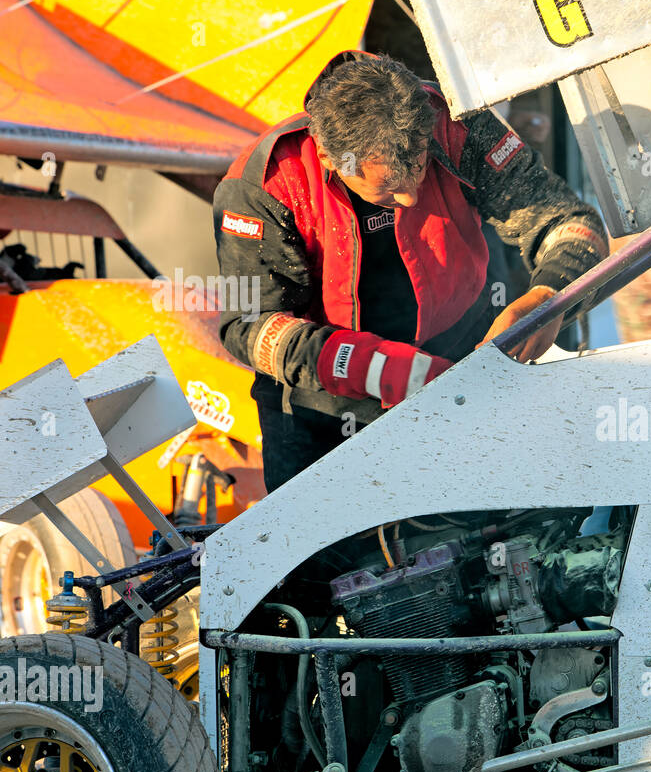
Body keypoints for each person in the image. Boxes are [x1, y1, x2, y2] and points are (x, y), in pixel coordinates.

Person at [213, 52, 608, 491]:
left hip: (464, 357)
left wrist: (548, 299)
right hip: (321, 401)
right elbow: (248, 325)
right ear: (328, 156)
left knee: (496, 533)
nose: (409, 199)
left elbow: (570, 223)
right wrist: (379, 367)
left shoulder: (456, 126)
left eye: (418, 171)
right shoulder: (266, 183)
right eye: (387, 186)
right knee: (327, 557)